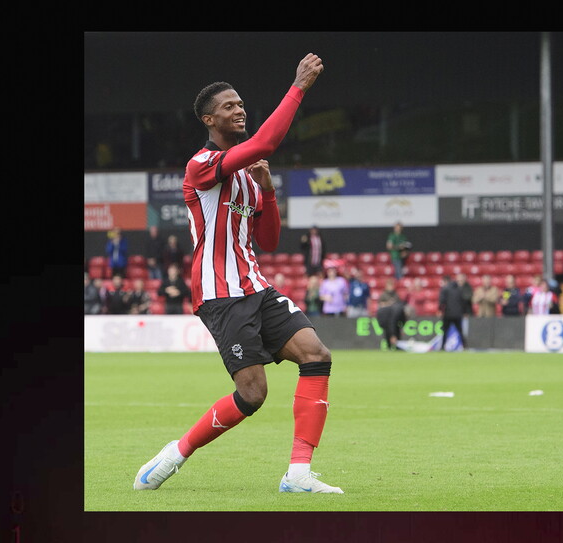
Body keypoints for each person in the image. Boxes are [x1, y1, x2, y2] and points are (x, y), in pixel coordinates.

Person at [132, 54, 343, 494]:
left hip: (256, 286)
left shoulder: (248, 176)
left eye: (241, 103)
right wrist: (298, 87)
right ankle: (176, 453)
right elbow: (265, 144)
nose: (239, 109)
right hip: (220, 293)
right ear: (209, 118)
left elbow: (267, 240)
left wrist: (267, 189)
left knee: (316, 354)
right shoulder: (201, 165)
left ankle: (298, 474)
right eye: (229, 106)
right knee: (252, 395)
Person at [376, 278, 407, 350]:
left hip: (395, 319)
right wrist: (388, 304)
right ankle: (389, 345)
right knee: (388, 333)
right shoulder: (383, 295)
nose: (391, 287)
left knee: (396, 332)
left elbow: (399, 305)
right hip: (386, 319)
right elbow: (380, 305)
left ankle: (397, 346)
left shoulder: (396, 295)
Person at [438, 275, 468, 350]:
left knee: (445, 331)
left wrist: (440, 310)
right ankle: (465, 346)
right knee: (460, 331)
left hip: (448, 314)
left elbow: (442, 301)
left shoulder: (445, 289)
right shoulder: (459, 289)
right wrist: (464, 312)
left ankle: (442, 346)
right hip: (458, 314)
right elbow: (463, 302)